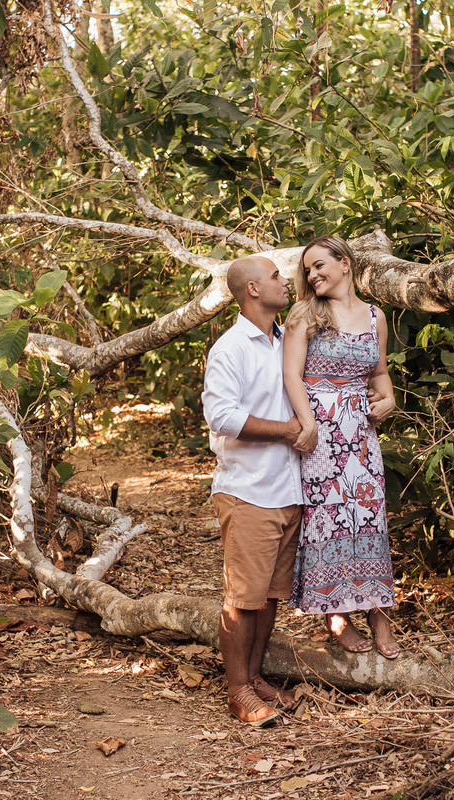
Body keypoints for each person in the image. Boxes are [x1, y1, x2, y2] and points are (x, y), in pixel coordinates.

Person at [282, 235, 401, 659]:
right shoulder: (305, 314)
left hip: (362, 434)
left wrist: (388, 400)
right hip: (320, 434)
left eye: (319, 266)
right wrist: (309, 422)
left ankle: (379, 613)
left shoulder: (375, 316)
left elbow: (380, 373)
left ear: (345, 263)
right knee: (327, 521)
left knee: (369, 519)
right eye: (307, 270)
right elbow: (292, 375)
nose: (312, 275)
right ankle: (336, 615)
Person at [202, 254, 306, 728]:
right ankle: (237, 690)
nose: (285, 282)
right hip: (248, 490)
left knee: (268, 596)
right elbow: (221, 417)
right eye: (276, 277)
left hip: (287, 488)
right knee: (243, 597)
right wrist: (287, 431)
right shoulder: (230, 349)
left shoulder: (286, 339)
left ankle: (256, 675)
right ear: (253, 291)